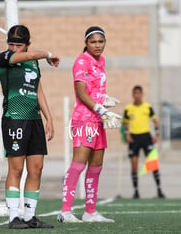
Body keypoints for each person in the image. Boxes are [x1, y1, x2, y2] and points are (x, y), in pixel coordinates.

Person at [0, 24, 60, 229]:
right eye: (11, 44)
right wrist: (47, 54)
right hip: (14, 118)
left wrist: (48, 118)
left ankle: (29, 216)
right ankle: (13, 217)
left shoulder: (33, 63)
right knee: (16, 168)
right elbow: (29, 55)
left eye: (19, 45)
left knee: (37, 168)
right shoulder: (5, 58)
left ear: (27, 44)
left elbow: (38, 90)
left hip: (34, 120)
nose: (14, 48)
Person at [58, 26, 121, 224]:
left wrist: (105, 100)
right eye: (93, 42)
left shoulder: (100, 62)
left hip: (97, 119)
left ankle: (90, 212)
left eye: (100, 41)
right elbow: (82, 93)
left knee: (96, 165)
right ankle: (65, 211)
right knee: (79, 163)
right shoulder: (81, 62)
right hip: (85, 119)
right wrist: (101, 108)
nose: (97, 45)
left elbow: (95, 90)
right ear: (86, 43)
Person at [123, 85, 165, 199]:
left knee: (153, 163)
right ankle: (136, 192)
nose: (137, 95)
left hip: (146, 137)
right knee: (134, 165)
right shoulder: (128, 108)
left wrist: (156, 134)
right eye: (135, 93)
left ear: (142, 94)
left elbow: (155, 122)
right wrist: (127, 135)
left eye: (139, 93)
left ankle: (159, 190)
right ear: (133, 95)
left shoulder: (148, 107)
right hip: (134, 138)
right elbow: (125, 124)